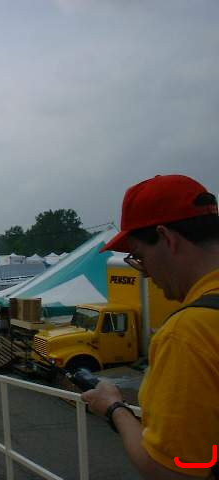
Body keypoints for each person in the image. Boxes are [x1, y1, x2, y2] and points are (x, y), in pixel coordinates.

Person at [81, 175, 219, 480]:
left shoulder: (189, 333)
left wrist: (114, 408)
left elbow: (175, 471)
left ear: (167, 238)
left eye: (140, 257)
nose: (144, 274)